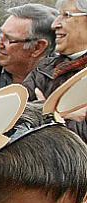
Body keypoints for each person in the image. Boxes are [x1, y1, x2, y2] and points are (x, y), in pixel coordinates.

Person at [24, 0, 87, 142]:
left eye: (66, 15)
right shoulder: (44, 68)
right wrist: (53, 115)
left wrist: (47, 115)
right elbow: (14, 120)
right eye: (59, 15)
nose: (54, 25)